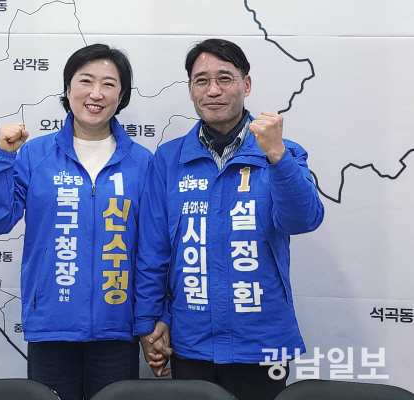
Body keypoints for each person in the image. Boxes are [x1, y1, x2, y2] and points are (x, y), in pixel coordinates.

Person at [133, 38, 324, 400]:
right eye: (202, 81)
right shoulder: (169, 159)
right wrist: (148, 322)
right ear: (191, 89)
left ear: (245, 85)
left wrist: (277, 157)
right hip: (191, 340)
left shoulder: (282, 153)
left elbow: (303, 220)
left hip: (262, 340)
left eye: (225, 78)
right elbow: (154, 251)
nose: (213, 90)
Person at [0, 44, 152, 400]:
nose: (96, 93)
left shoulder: (142, 162)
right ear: (68, 89)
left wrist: (147, 321)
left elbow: (151, 251)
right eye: (85, 81)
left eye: (109, 84)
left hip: (117, 328)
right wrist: (1, 157)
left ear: (121, 96)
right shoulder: (34, 154)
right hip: (51, 326)